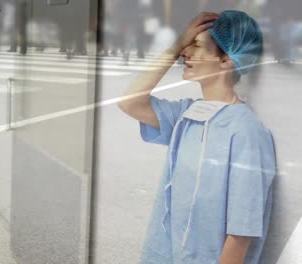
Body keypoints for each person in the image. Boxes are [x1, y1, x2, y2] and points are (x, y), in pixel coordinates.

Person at [118, 11, 276, 263]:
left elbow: (240, 234)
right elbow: (130, 103)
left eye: (197, 46)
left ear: (226, 60)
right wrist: (176, 45)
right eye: (187, 46)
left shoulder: (247, 133)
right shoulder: (188, 114)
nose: (185, 53)